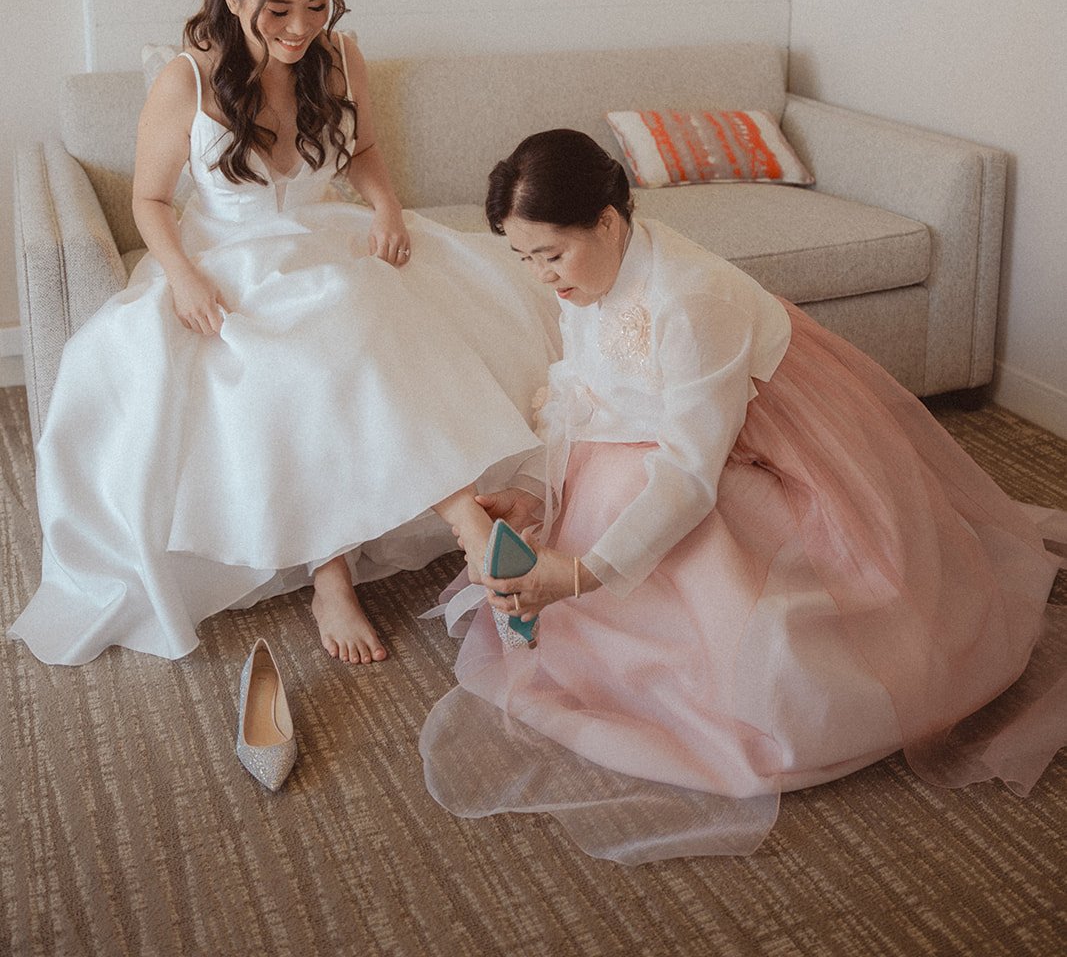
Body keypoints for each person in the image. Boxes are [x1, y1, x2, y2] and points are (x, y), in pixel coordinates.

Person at [420, 128, 1067, 863]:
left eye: (551, 253)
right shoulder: (587, 276)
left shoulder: (691, 301)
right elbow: (581, 390)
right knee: (610, 491)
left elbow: (690, 472)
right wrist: (537, 491)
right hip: (662, 436)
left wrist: (581, 573)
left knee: (665, 520)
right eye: (523, 258)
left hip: (756, 447)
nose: (542, 276)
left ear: (606, 220)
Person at [10, 0, 558, 667]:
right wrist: (182, 274)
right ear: (234, 0)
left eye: (315, 6)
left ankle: (384, 549)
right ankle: (399, 544)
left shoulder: (339, 59)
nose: (300, 28)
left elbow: (362, 149)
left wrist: (388, 205)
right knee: (305, 340)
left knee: (364, 309)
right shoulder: (187, 79)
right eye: (279, 11)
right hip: (224, 256)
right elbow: (149, 202)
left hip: (321, 235)